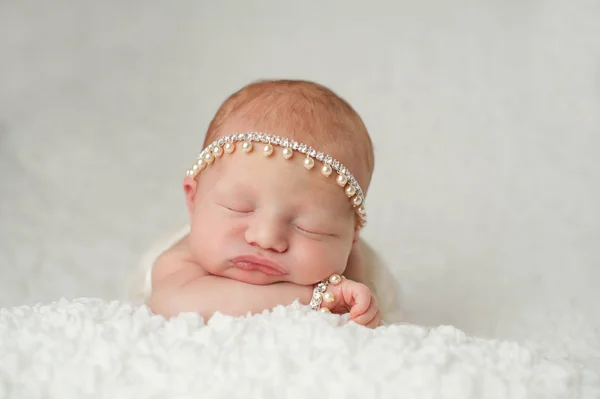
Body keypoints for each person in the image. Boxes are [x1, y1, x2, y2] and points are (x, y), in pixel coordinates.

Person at [131, 79, 402, 327]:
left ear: (351, 236)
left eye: (310, 227)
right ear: (193, 197)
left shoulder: (351, 265)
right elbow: (179, 306)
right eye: (239, 208)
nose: (266, 238)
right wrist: (314, 298)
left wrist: (360, 311)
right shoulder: (180, 259)